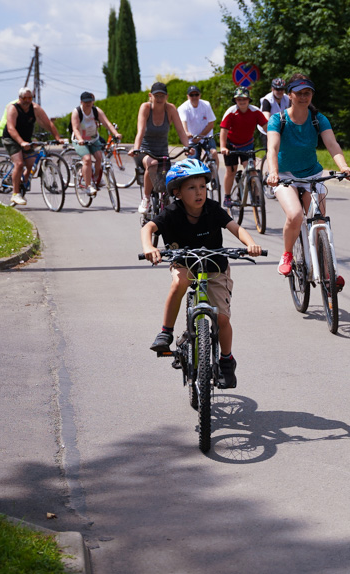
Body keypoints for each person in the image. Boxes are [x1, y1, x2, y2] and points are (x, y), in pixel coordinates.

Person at [141, 158, 262, 389]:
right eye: (191, 188)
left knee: (222, 318)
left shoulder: (213, 209)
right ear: (176, 192)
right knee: (180, 282)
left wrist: (251, 244)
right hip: (185, 263)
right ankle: (166, 332)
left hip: (215, 266)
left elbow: (235, 228)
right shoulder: (172, 212)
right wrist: (149, 247)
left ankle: (226, 360)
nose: (199, 193)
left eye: (203, 187)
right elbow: (148, 228)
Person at [264, 74, 350, 278]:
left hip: (312, 174)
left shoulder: (318, 119)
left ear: (312, 95)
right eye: (299, 93)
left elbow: (332, 145)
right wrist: (273, 172)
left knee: (320, 223)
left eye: (307, 93)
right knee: (295, 215)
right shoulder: (278, 119)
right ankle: (287, 254)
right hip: (285, 175)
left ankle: (327, 272)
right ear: (290, 95)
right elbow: (273, 147)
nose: (303, 97)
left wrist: (344, 167)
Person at [130, 82, 189, 214]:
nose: (159, 98)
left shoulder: (170, 109)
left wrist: (187, 147)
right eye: (156, 95)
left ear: (167, 96)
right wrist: (136, 148)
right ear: (150, 96)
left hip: (162, 153)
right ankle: (145, 199)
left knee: (172, 177)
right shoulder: (145, 108)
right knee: (152, 163)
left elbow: (180, 130)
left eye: (162, 95)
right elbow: (140, 131)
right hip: (144, 151)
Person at [0, 87, 61, 206]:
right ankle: (15, 194)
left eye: (30, 98)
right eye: (24, 98)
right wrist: (21, 142)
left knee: (32, 164)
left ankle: (22, 182)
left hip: (26, 139)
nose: (27, 101)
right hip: (11, 139)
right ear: (19, 98)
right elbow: (11, 128)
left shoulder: (35, 108)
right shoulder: (13, 108)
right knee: (19, 163)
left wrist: (57, 138)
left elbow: (48, 123)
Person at [219, 87, 268, 209]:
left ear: (249, 100)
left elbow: (267, 127)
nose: (242, 102)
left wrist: (273, 141)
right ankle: (227, 196)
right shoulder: (231, 112)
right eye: (239, 99)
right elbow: (223, 131)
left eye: (244, 99)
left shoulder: (255, 111)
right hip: (232, 146)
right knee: (231, 171)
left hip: (248, 145)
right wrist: (223, 146)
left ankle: (257, 195)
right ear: (235, 101)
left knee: (252, 170)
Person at [71, 91, 122, 197]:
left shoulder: (96, 110)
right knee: (87, 159)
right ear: (81, 102)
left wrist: (116, 134)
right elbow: (75, 128)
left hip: (94, 139)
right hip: (79, 141)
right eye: (85, 102)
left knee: (99, 157)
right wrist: (80, 139)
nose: (88, 104)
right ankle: (88, 186)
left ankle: (96, 177)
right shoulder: (77, 112)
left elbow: (107, 123)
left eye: (90, 101)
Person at [259, 78, 290, 198]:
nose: (280, 92)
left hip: (283, 128)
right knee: (272, 151)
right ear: (272, 89)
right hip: (267, 128)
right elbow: (266, 119)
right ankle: (270, 175)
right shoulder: (267, 100)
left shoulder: (287, 98)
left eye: (282, 89)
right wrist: (274, 131)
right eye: (277, 89)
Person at [178, 85, 218, 164]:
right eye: (191, 95)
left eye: (196, 95)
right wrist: (186, 133)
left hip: (206, 136)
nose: (194, 97)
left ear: (200, 95)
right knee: (193, 161)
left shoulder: (206, 105)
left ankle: (214, 175)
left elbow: (211, 124)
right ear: (188, 96)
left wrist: (200, 136)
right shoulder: (183, 108)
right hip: (192, 139)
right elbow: (183, 123)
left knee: (213, 153)